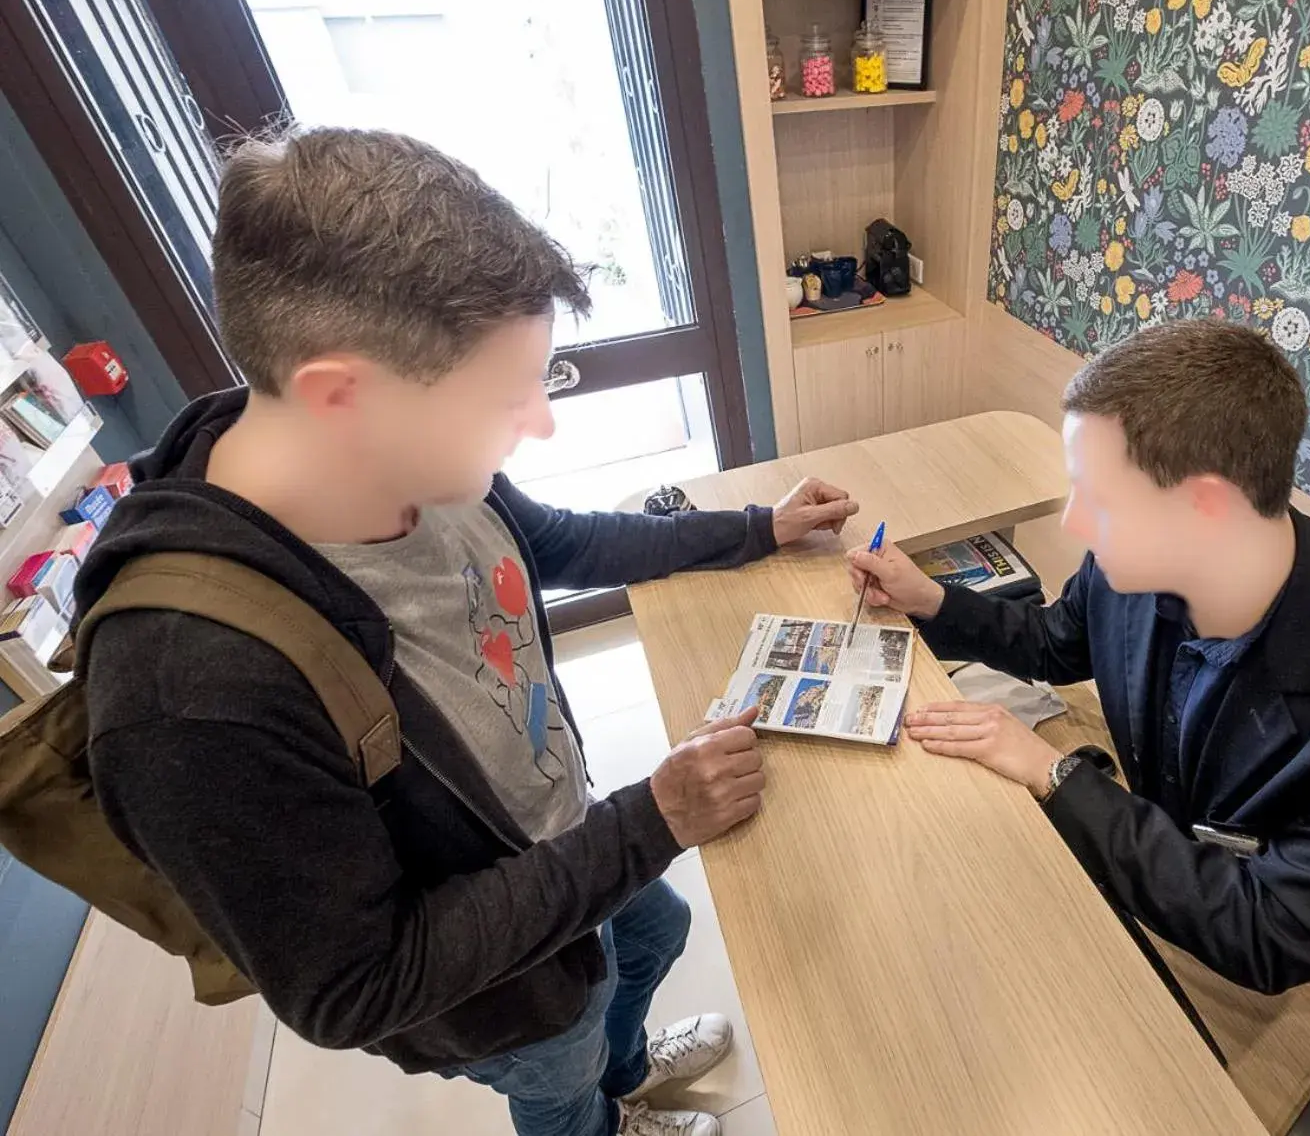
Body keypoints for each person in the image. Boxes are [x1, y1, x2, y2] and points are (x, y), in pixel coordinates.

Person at [78, 128, 860, 1136]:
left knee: (651, 937)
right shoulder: (185, 691)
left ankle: (621, 1080)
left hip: (565, 837)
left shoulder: (412, 463)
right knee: (559, 1067)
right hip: (497, 988)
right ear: (339, 394)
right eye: (504, 396)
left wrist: (755, 527)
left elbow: (556, 542)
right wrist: (650, 819)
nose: (536, 424)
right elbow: (356, 982)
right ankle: (596, 1114)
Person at [847, 320, 1310, 1049]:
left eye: (1096, 497)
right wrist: (930, 599)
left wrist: (1055, 773)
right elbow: (1055, 640)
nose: (1075, 521)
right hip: (1174, 895)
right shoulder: (1134, 564)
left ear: (1203, 504)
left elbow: (1271, 932)